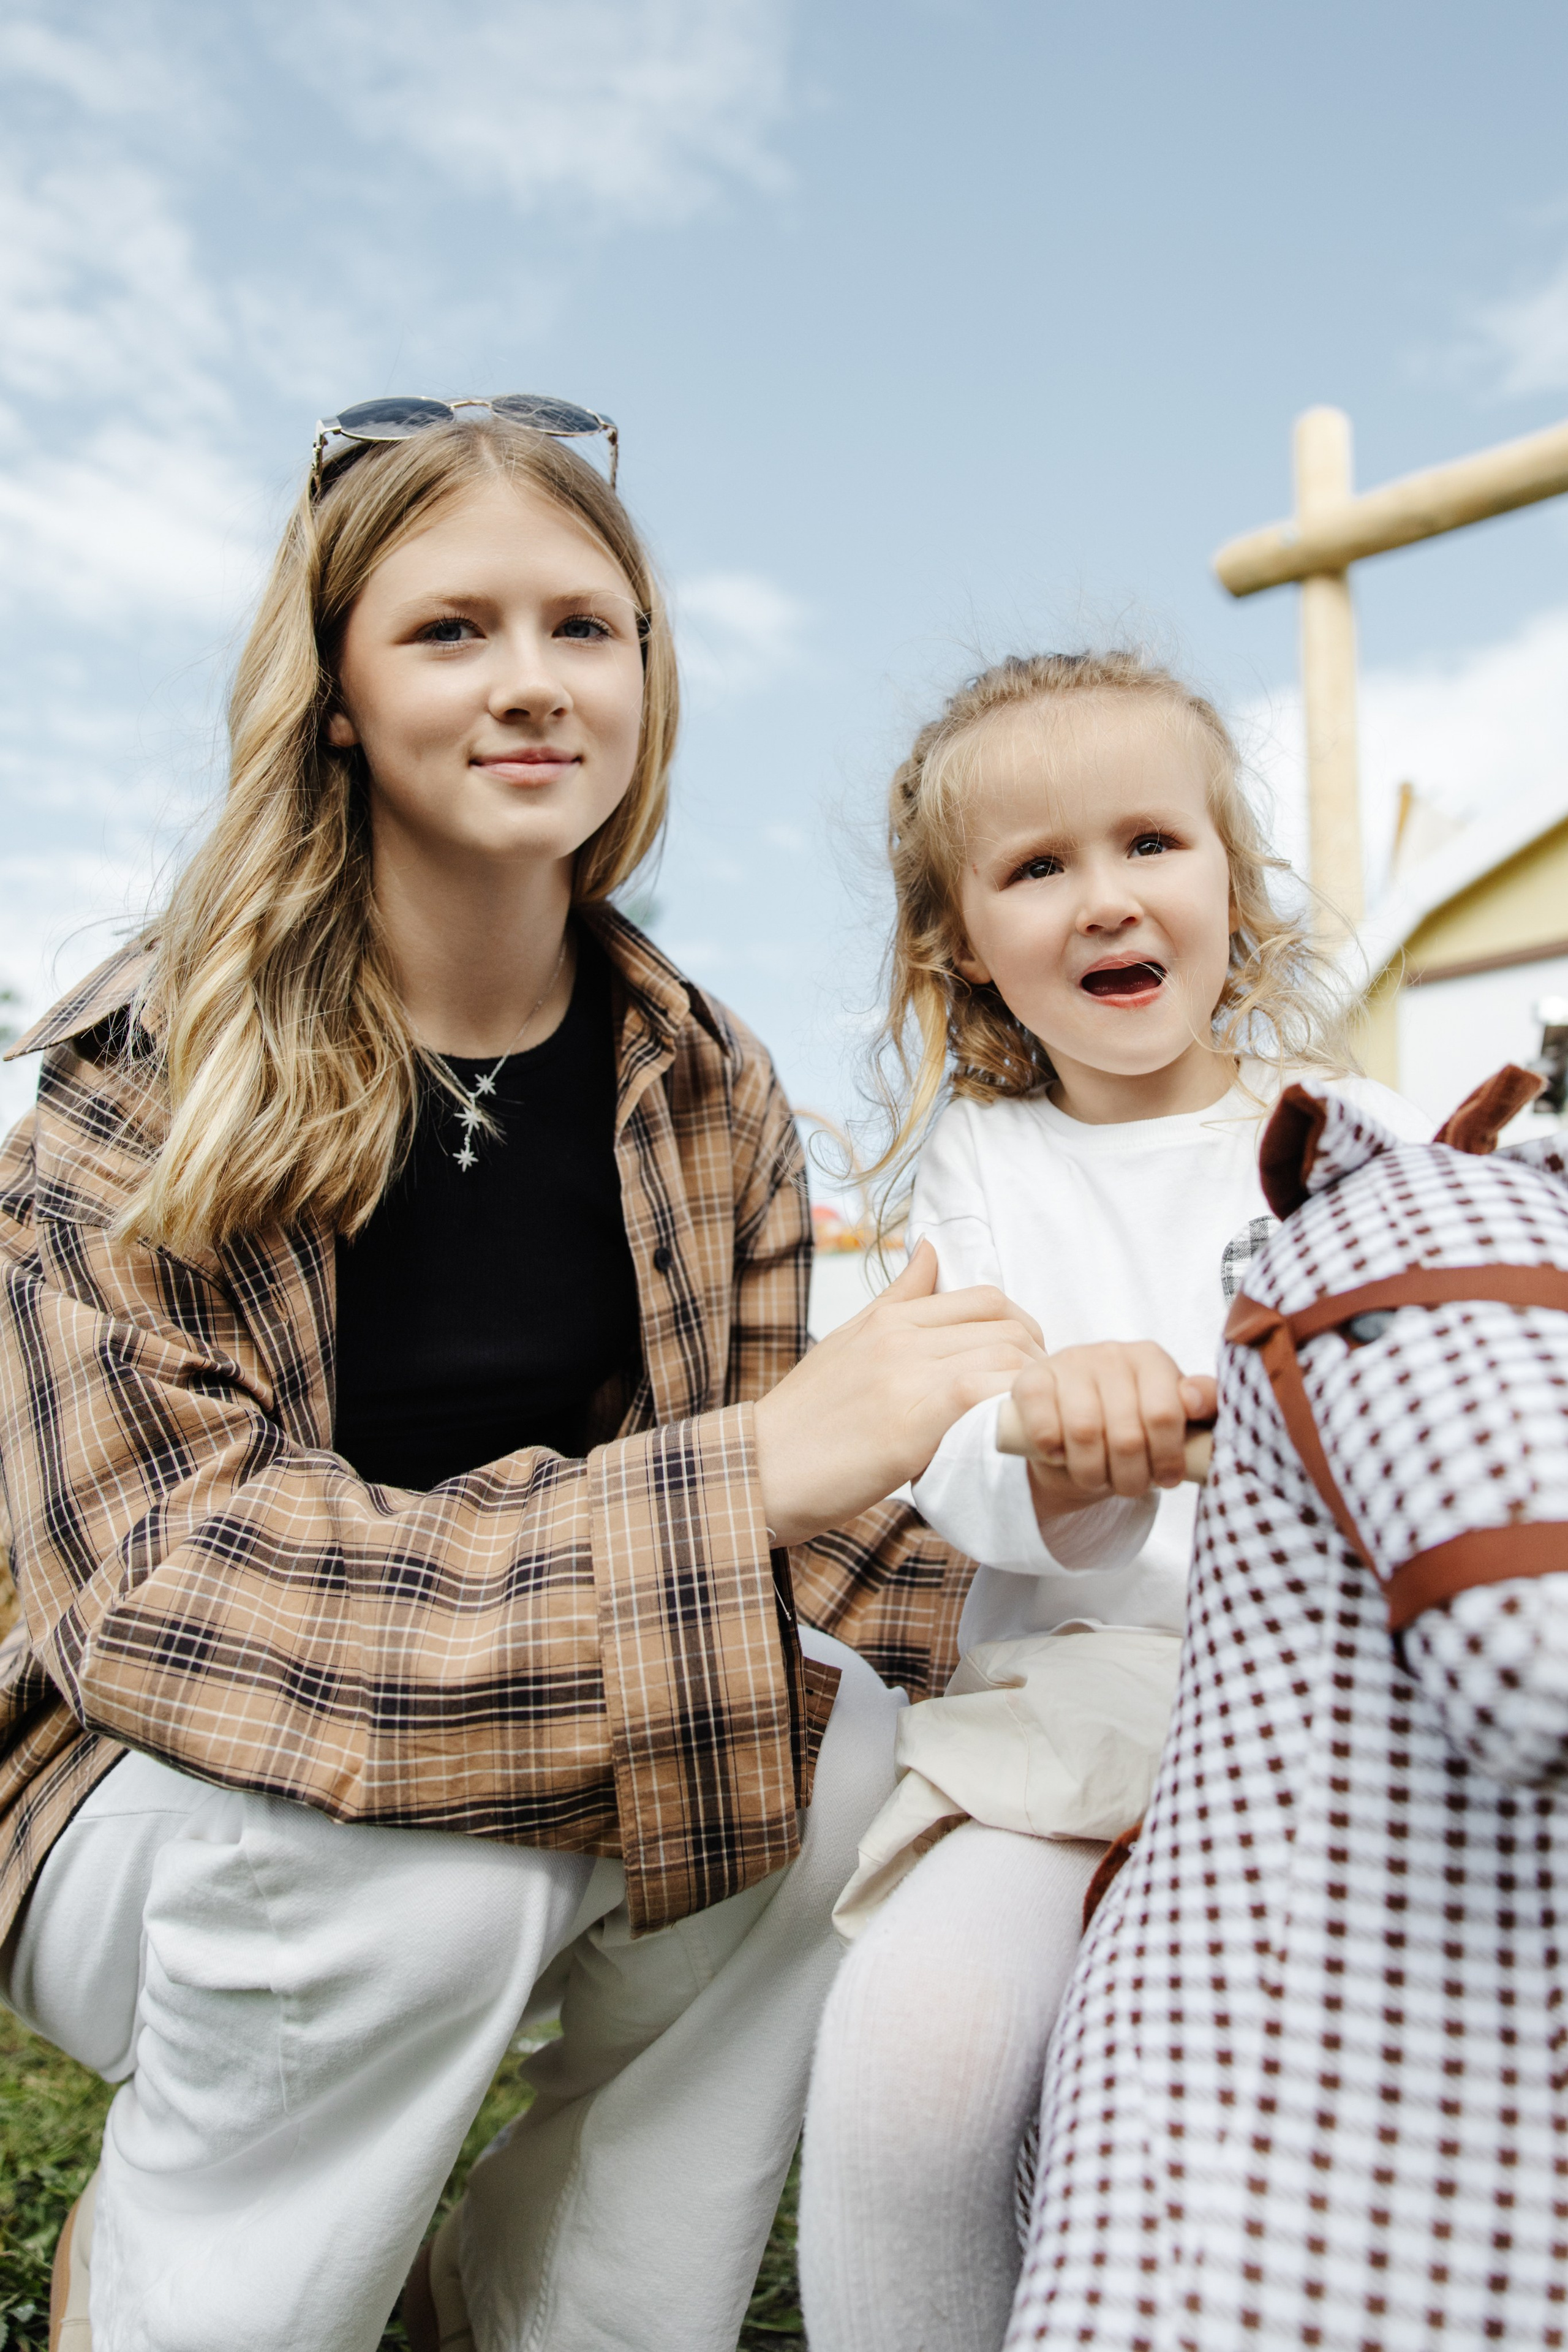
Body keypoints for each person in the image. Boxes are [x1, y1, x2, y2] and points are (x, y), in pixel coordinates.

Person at [0, 401, 1045, 2352]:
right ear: (333, 692)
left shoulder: (708, 1084)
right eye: (451, 631)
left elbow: (808, 1550)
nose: (534, 684)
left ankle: (548, 2309)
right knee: (433, 1886)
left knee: (864, 1767)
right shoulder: (146, 1076)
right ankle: (169, 2301)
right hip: (131, 1789)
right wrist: (727, 1483)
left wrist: (1074, 1618)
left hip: (523, 1716)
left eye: (586, 626)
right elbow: (166, 1596)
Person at [796, 648, 1430, 2352]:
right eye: (1035, 867)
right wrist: (1061, 1459)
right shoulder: (987, 1171)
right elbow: (951, 1439)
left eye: (1151, 842)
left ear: (1232, 879)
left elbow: (1454, 1396)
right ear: (962, 947)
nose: (1104, 901)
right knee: (914, 2078)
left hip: (1349, 1707)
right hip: (1076, 1701)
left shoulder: (1356, 1134)